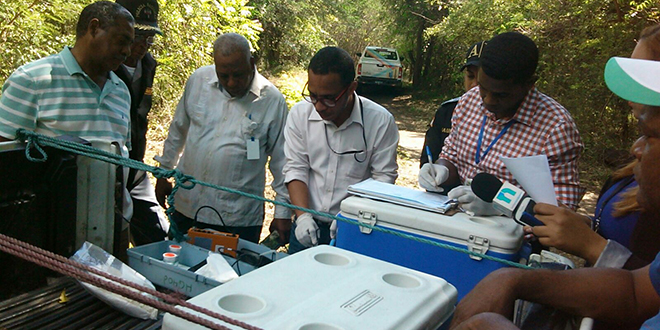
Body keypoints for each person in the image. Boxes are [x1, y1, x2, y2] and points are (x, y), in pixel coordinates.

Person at [448, 56, 660, 330]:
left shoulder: (556, 125)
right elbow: (636, 291)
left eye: (649, 135)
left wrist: (590, 245)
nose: (636, 149)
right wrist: (511, 280)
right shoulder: (466, 105)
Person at [0, 1, 134, 256]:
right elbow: (5, 170)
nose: (127, 51)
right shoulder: (32, 80)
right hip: (48, 236)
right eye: (121, 40)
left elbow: (123, 159)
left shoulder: (121, 91)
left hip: (111, 232)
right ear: (94, 28)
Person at [525, 24, 660, 271]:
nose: (630, 98)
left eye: (642, 84)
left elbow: (648, 290)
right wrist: (582, 227)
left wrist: (591, 246)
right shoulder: (640, 159)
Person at [419, 32, 583, 215]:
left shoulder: (555, 128)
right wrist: (441, 170)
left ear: (529, 84)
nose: (487, 100)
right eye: (483, 87)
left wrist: (501, 207)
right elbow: (451, 157)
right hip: (458, 223)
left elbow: (561, 214)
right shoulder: (468, 102)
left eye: (501, 95)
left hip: (511, 238)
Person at [154, 33, 290, 244]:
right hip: (187, 205)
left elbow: (283, 163)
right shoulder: (199, 81)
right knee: (179, 270)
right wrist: (164, 172)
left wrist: (282, 213)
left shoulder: (272, 100)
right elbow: (178, 129)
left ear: (251, 63)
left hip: (236, 217)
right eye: (224, 75)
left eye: (238, 74)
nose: (231, 82)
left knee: (231, 275)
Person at [281, 46, 399, 254]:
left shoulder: (379, 121)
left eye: (328, 98)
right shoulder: (300, 115)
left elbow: (383, 179)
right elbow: (296, 169)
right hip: (308, 225)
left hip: (356, 229)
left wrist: (350, 216)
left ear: (352, 88)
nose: (318, 107)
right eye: (313, 96)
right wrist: (303, 217)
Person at [114, 0, 169, 246]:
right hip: (107, 169)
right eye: (137, 36)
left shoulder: (148, 65)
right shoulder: (104, 66)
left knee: (159, 236)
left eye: (149, 38)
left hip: (135, 166)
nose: (142, 45)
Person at [420, 41, 486, 166]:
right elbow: (429, 155)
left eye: (482, 79)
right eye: (470, 76)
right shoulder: (448, 111)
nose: (475, 85)